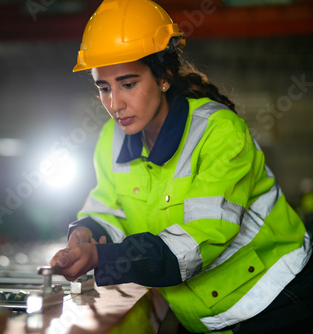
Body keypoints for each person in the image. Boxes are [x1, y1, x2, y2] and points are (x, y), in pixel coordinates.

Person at [49, 0, 313, 333]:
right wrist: (84, 237)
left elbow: (197, 243)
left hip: (279, 303)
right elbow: (110, 209)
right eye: (104, 87)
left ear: (164, 76)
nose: (114, 104)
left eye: (128, 84)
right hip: (206, 316)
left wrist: (102, 259)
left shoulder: (218, 132)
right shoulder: (111, 139)